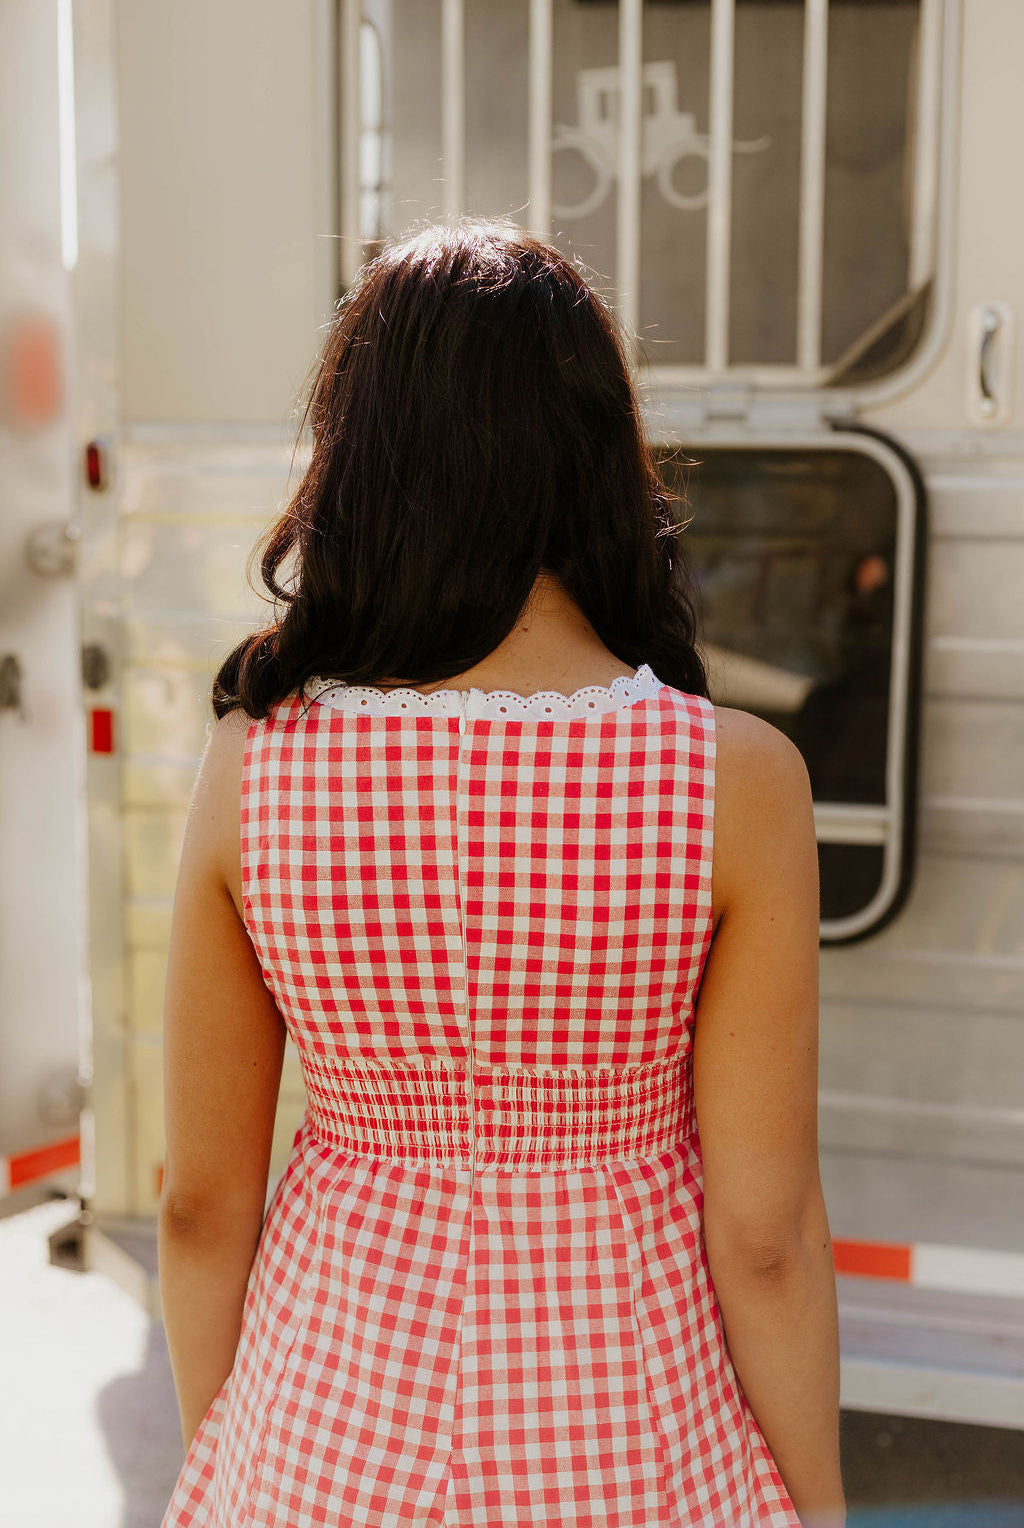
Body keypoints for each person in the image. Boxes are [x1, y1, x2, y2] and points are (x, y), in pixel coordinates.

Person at [158, 217, 845, 1528]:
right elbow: (764, 1234)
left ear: (357, 457)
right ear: (600, 456)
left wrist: (234, 1455)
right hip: (632, 1439)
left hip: (323, 1428)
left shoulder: (257, 765)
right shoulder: (735, 780)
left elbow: (199, 1208)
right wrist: (815, 1505)